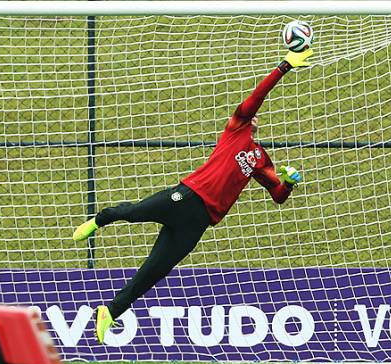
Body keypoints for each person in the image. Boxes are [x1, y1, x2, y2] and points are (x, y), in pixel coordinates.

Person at [73, 48, 313, 343]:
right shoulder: (236, 130)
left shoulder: (260, 159)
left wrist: (288, 183)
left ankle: (110, 311)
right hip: (186, 197)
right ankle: (100, 219)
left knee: (154, 272)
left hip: (199, 222)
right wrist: (284, 66)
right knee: (134, 213)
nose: (253, 116)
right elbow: (257, 97)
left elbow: (277, 195)